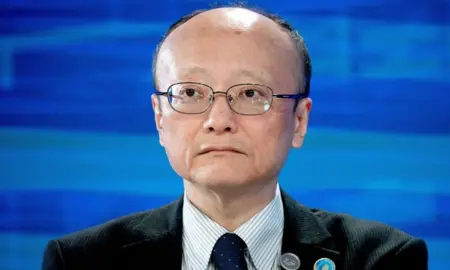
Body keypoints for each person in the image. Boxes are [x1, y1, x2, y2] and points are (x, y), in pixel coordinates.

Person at [41, 5, 428, 270]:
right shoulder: (83, 261)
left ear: (299, 121)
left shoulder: (380, 258)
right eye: (191, 93)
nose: (218, 120)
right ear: (160, 118)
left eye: (251, 94)